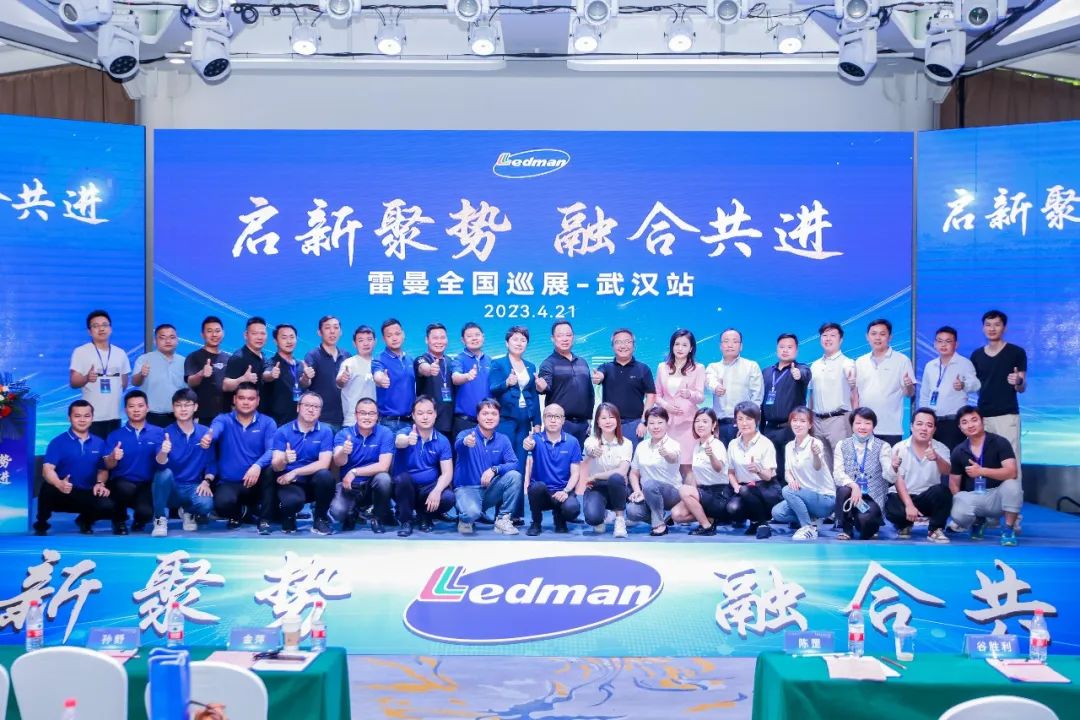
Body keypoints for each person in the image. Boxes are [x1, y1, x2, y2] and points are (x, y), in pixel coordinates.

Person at [34, 400, 115, 535]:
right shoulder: (58, 442)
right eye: (77, 416)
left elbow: (103, 469)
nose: (82, 420)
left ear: (92, 418)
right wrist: (59, 483)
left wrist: (100, 483)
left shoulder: (100, 443)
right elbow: (47, 469)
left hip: (87, 492)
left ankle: (85, 520)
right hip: (63, 491)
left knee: (108, 506)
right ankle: (42, 522)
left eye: (86, 416)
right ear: (69, 418)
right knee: (47, 488)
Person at [206, 382, 277, 533]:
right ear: (234, 399)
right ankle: (239, 514)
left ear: (258, 401)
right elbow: (215, 431)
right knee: (222, 504)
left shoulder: (268, 422)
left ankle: (264, 520)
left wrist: (257, 465)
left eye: (251, 399)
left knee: (271, 469)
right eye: (241, 398)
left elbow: (272, 450)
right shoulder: (223, 420)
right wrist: (209, 437)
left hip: (257, 483)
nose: (246, 402)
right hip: (230, 482)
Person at [948, 405, 1021, 546]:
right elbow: (954, 483)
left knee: (1013, 484)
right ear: (960, 428)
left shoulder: (1000, 442)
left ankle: (1008, 529)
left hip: (997, 496)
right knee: (957, 511)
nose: (970, 425)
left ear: (982, 421)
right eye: (965, 422)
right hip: (975, 496)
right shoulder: (958, 451)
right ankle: (978, 521)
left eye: (974, 420)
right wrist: (961, 501)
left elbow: (1012, 472)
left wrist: (982, 471)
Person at [970, 309, 1027, 484]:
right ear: (983, 328)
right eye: (988, 325)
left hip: (1007, 415)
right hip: (983, 416)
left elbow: (1022, 388)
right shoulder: (976, 355)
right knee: (985, 460)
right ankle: (989, 499)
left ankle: (1013, 500)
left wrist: (1018, 381)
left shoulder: (1016, 352)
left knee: (1011, 460)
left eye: (997, 324)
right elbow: (974, 386)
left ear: (1004, 327)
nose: (992, 328)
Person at [150, 389, 214, 537]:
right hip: (171, 486)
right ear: (173, 408)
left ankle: (188, 512)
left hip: (192, 486)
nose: (183, 409)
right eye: (178, 405)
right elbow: (159, 464)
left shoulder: (205, 433)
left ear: (195, 407)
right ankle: (160, 518)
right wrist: (164, 451)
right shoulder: (164, 433)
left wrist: (206, 481)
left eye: (187, 405)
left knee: (206, 504)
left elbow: (212, 463)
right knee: (164, 474)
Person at [453, 399, 522, 535]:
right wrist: (466, 442)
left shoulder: (503, 439)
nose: (489, 417)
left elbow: (514, 463)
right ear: (477, 416)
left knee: (515, 476)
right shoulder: (466, 435)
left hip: (489, 490)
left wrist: (494, 470)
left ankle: (502, 519)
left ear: (499, 417)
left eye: (494, 414)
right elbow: (458, 445)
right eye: (485, 414)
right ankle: (465, 518)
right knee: (472, 513)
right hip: (467, 490)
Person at [270, 391, 335, 535]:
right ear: (298, 407)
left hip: (313, 481)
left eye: (316, 407)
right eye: (307, 405)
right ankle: (288, 516)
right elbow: (275, 465)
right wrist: (284, 459)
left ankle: (320, 519)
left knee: (326, 476)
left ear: (320, 411)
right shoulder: (282, 431)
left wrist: (296, 471)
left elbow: (324, 463)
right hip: (291, 482)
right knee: (291, 502)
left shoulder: (326, 431)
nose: (311, 410)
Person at [885, 407, 952, 543]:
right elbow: (898, 479)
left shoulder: (941, 448)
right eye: (919, 424)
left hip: (927, 497)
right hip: (904, 496)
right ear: (911, 426)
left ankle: (935, 530)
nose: (924, 429)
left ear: (934, 429)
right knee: (891, 504)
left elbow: (947, 471)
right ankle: (904, 525)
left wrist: (937, 458)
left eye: (929, 425)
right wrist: (909, 505)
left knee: (943, 492)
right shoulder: (899, 448)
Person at [392, 395, 454, 536]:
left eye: (429, 413)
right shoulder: (405, 432)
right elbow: (398, 441)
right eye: (420, 413)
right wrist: (407, 440)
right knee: (403, 480)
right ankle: (406, 521)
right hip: (404, 489)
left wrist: (437, 491)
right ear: (413, 416)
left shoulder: (442, 440)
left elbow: (447, 473)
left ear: (435, 414)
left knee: (448, 498)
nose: (425, 417)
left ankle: (425, 515)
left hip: (427, 488)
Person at [104, 390, 165, 534]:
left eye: (140, 406)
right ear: (125, 410)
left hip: (146, 484)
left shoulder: (159, 433)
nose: (136, 410)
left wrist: (164, 451)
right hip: (122, 482)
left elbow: (162, 462)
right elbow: (107, 465)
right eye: (131, 406)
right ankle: (118, 520)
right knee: (124, 488)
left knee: (146, 513)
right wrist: (113, 457)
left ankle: (139, 520)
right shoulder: (115, 435)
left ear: (147, 408)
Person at [330, 397, 394, 533]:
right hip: (349, 486)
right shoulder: (344, 434)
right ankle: (353, 512)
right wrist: (343, 451)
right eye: (363, 413)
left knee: (384, 479)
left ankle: (377, 518)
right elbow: (338, 462)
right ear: (356, 415)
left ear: (377, 416)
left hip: (372, 485)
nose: (367, 417)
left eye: (371, 413)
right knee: (337, 512)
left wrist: (354, 472)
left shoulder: (385, 433)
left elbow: (384, 466)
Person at [771, 406, 833, 541]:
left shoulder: (815, 443)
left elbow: (818, 467)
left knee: (787, 491)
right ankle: (813, 519)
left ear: (810, 425)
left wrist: (816, 455)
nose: (798, 424)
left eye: (803, 421)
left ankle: (808, 527)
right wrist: (791, 480)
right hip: (803, 495)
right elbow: (787, 472)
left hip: (824, 498)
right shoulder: (789, 446)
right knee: (777, 512)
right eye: (795, 420)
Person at [832, 407, 894, 541]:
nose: (862, 427)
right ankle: (847, 529)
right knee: (843, 490)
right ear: (852, 425)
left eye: (867, 423)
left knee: (866, 521)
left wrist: (894, 467)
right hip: (850, 495)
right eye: (858, 423)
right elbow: (837, 474)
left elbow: (889, 477)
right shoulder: (842, 445)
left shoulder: (883, 446)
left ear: (873, 426)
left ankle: (870, 524)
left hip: (872, 498)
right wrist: (854, 486)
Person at [70, 309, 131, 439]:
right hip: (91, 417)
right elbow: (73, 382)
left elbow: (124, 383)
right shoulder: (81, 352)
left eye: (105, 325)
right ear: (89, 331)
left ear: (110, 329)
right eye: (96, 326)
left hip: (115, 416)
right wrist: (86, 378)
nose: (101, 329)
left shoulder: (120, 353)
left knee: (114, 450)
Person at [523, 403, 582, 535]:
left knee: (572, 509)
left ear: (563, 420)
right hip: (541, 493)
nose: (553, 420)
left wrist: (566, 491)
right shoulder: (536, 440)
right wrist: (527, 444)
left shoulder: (572, 442)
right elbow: (528, 444)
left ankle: (560, 519)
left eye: (557, 417)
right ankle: (536, 522)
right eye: (549, 416)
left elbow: (575, 473)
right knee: (537, 487)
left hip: (562, 492)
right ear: (544, 418)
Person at [854, 319, 915, 446]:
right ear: (867, 337)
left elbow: (909, 393)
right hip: (865, 428)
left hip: (891, 429)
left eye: (882, 334)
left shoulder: (902, 360)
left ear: (890, 337)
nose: (877, 338)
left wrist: (908, 385)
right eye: (873, 334)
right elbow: (855, 394)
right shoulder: (860, 361)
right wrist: (856, 421)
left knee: (889, 460)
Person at [592, 328, 656, 449]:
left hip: (634, 424)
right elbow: (600, 375)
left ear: (634, 345)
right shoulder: (606, 367)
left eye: (627, 342)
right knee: (607, 457)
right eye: (618, 342)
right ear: (612, 346)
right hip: (608, 424)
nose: (623, 346)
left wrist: (644, 422)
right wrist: (598, 377)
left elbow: (651, 396)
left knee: (632, 458)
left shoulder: (643, 369)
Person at [760, 333, 811, 483]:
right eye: (782, 347)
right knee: (770, 469)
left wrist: (798, 374)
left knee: (790, 470)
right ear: (777, 349)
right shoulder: (767, 372)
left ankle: (790, 495)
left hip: (790, 429)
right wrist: (761, 429)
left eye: (789, 347)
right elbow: (761, 400)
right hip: (769, 429)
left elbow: (805, 375)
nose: (785, 350)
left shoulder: (801, 368)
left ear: (796, 350)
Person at [653, 329, 706, 472]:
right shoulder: (662, 367)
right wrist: (666, 406)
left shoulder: (698, 368)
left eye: (684, 345)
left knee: (686, 465)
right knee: (667, 465)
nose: (680, 348)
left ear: (691, 348)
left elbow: (701, 397)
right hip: (666, 423)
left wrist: (690, 394)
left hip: (687, 423)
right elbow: (656, 394)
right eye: (677, 344)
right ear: (672, 346)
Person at [625, 407, 683, 537]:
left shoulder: (674, 444)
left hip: (671, 493)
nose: (656, 427)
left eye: (660, 422)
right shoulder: (641, 446)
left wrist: (667, 454)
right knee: (632, 511)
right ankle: (661, 517)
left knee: (650, 485)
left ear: (667, 423)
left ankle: (659, 525)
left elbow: (673, 458)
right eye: (651, 423)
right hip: (648, 493)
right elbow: (634, 473)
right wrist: (637, 491)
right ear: (647, 425)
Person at [920, 326, 980, 450]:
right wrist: (923, 417)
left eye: (948, 341)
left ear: (956, 344)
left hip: (953, 421)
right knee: (933, 457)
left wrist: (963, 385)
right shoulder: (930, 366)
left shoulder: (964, 363)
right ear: (935, 344)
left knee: (952, 457)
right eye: (940, 341)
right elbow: (925, 394)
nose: (943, 345)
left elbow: (976, 385)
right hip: (933, 421)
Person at [671, 408, 729, 537]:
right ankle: (710, 517)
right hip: (703, 492)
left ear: (713, 425)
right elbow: (696, 476)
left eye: (705, 421)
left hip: (719, 494)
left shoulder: (717, 444)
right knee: (676, 514)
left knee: (684, 490)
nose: (700, 425)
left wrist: (711, 455)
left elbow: (719, 468)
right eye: (697, 421)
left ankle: (706, 526)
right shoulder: (697, 446)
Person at [725, 401, 779, 538]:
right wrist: (736, 486)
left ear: (757, 420)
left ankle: (762, 523)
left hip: (766, 488)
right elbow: (730, 472)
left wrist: (758, 470)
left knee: (746, 490)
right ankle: (756, 521)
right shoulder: (733, 444)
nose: (744, 423)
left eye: (748, 419)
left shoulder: (765, 443)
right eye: (740, 419)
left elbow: (768, 476)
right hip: (744, 488)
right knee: (732, 508)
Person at [808, 322, 858, 467]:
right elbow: (812, 395)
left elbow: (854, 391)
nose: (828, 339)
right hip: (817, 421)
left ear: (840, 339)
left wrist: (852, 380)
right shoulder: (815, 365)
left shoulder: (847, 362)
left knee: (842, 464)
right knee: (822, 466)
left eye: (832, 335)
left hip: (839, 420)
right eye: (825, 335)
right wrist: (810, 418)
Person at [537, 320, 593, 445]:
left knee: (579, 457)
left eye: (568, 335)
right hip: (559, 424)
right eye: (560, 335)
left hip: (583, 425)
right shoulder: (548, 363)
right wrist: (542, 387)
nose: (565, 339)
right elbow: (544, 386)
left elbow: (590, 392)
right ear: (553, 339)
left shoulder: (582, 362)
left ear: (573, 337)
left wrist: (589, 418)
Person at [580, 403, 632, 538]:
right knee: (593, 518)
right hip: (596, 487)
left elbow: (622, 471)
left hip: (618, 487)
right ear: (597, 421)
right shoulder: (590, 441)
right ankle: (602, 514)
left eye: (611, 417)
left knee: (616, 478)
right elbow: (590, 449)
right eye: (603, 418)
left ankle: (619, 520)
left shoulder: (626, 443)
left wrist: (596, 476)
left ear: (617, 420)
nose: (608, 421)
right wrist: (592, 452)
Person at [705, 328, 764, 446]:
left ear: (741, 346)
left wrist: (748, 424)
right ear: (720, 346)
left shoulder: (751, 366)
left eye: (735, 341)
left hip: (742, 424)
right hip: (719, 426)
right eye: (726, 341)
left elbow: (757, 397)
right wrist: (716, 387)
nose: (730, 345)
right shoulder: (713, 367)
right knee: (718, 457)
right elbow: (709, 380)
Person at [132, 323, 187, 428]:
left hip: (178, 416)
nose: (168, 341)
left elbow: (188, 389)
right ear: (155, 341)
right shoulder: (144, 359)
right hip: (151, 416)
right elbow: (135, 382)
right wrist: (141, 374)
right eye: (163, 337)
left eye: (172, 337)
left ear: (177, 340)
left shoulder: (184, 361)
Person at [303, 315, 350, 432]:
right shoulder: (312, 355)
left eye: (336, 327)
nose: (332, 331)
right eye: (327, 328)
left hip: (345, 419)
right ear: (319, 332)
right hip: (322, 419)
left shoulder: (347, 356)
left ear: (341, 332)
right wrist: (306, 377)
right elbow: (304, 383)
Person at [184, 315, 231, 426]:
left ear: (223, 333)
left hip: (226, 415)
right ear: (202, 335)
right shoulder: (193, 357)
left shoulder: (229, 358)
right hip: (202, 416)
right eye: (209, 331)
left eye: (217, 331)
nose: (214, 334)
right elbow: (190, 381)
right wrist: (201, 374)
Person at [372, 318, 416, 432]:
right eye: (389, 335)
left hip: (412, 422)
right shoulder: (379, 359)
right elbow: (377, 375)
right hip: (389, 423)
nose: (394, 338)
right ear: (383, 339)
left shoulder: (410, 359)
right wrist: (380, 379)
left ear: (403, 334)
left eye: (397, 333)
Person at [450, 322, 492, 441]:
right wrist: (467, 376)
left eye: (477, 335)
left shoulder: (490, 361)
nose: (474, 338)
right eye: (469, 336)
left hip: (487, 422)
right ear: (463, 340)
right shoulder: (459, 359)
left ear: (483, 337)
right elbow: (455, 378)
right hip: (465, 422)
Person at [414, 323, 454, 437]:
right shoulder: (421, 359)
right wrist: (430, 369)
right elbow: (423, 368)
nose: (439, 341)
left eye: (442, 338)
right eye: (435, 338)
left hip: (451, 423)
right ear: (427, 340)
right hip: (428, 424)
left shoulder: (451, 361)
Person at [222, 316, 269, 411]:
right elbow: (225, 385)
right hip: (243, 413)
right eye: (254, 333)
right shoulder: (238, 357)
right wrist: (242, 379)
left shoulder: (263, 356)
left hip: (261, 413)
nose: (259, 337)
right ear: (246, 335)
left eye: (262, 333)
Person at [262, 323, 304, 427]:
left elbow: (305, 385)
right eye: (284, 338)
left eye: (292, 337)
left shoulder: (300, 364)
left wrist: (307, 378)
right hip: (277, 423)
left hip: (299, 422)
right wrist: (271, 374)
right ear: (275, 341)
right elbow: (266, 375)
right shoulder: (271, 362)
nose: (289, 341)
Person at [338, 325, 376, 428]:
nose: (366, 343)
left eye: (369, 339)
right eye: (361, 340)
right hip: (352, 422)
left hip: (374, 422)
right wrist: (341, 379)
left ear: (375, 341)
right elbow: (339, 382)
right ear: (354, 344)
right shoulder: (349, 363)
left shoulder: (379, 364)